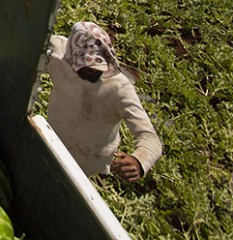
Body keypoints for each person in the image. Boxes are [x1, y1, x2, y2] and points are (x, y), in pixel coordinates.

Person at [46, 22, 163, 182]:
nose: (92, 73)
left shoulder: (118, 89)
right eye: (87, 68)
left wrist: (139, 161)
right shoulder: (56, 54)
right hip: (52, 137)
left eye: (97, 69)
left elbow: (149, 137)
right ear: (72, 57)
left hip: (87, 159)